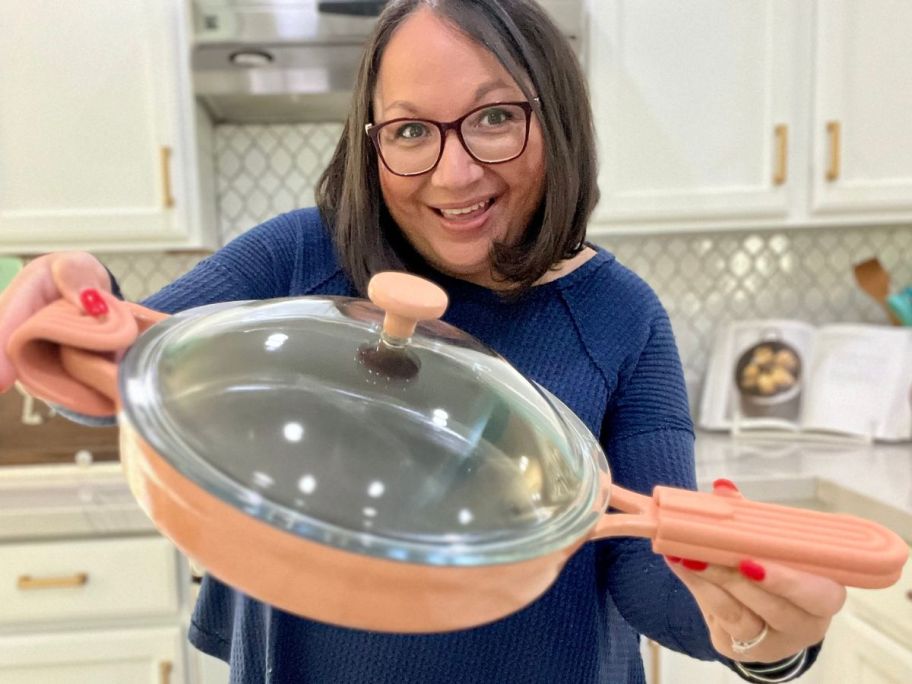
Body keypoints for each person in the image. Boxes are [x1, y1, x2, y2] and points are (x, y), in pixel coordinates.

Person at [0, 1, 845, 682]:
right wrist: (82, 306)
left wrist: (758, 631)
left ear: (557, 117)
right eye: (409, 131)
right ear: (371, 143)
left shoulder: (623, 317)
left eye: (494, 118)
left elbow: (645, 571)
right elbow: (135, 380)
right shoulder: (300, 253)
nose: (453, 174)